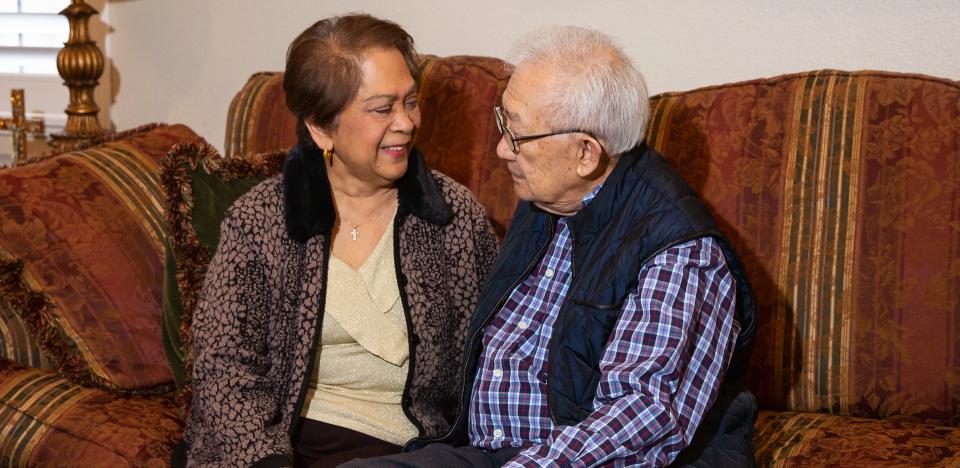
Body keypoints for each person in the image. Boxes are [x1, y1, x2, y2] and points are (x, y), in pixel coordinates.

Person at [345, 25, 757, 468]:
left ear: (585, 153)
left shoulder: (681, 252)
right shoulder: (549, 194)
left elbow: (643, 418)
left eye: (517, 135)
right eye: (503, 122)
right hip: (492, 453)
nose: (502, 149)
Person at [180, 14, 499, 468]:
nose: (406, 123)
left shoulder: (453, 217)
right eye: (382, 108)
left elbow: (496, 353)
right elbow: (224, 367)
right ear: (321, 128)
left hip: (405, 452)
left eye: (411, 101)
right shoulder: (260, 221)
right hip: (275, 446)